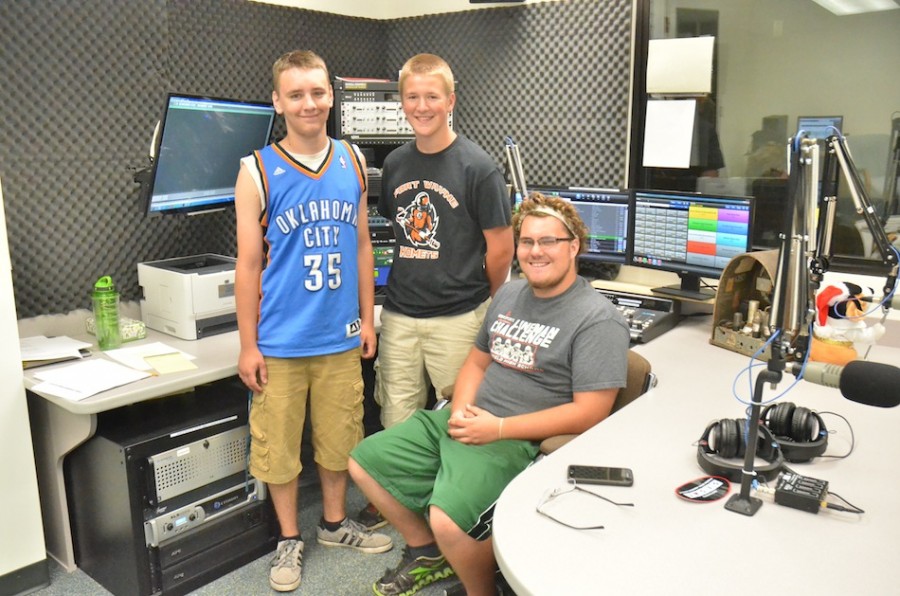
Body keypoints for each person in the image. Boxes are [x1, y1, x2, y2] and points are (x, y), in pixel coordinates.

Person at [349, 193, 631, 596]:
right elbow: (478, 363)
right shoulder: (509, 295)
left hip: (516, 439)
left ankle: (482, 590)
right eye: (527, 242)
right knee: (364, 462)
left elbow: (590, 413)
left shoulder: (597, 319)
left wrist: (497, 428)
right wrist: (461, 409)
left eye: (548, 241)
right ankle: (426, 550)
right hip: (471, 419)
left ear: (574, 246)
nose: (536, 252)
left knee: (447, 518)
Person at [234, 49, 392, 593]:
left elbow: (365, 245)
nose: (309, 103)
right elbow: (249, 265)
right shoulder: (256, 170)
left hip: (339, 336)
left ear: (331, 95)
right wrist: (248, 345)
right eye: (296, 94)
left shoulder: (351, 159)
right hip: (279, 341)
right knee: (278, 449)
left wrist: (367, 317)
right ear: (278, 102)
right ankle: (288, 538)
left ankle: (331, 524)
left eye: (318, 92)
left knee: (339, 440)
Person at [359, 53, 515, 529]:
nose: (422, 106)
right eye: (412, 97)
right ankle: (400, 499)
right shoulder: (398, 163)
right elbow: (397, 230)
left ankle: (451, 504)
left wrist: (476, 302)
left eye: (432, 96)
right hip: (402, 316)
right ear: (401, 102)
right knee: (397, 414)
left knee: (459, 419)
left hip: (459, 317)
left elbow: (501, 250)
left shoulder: (478, 167)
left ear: (450, 100)